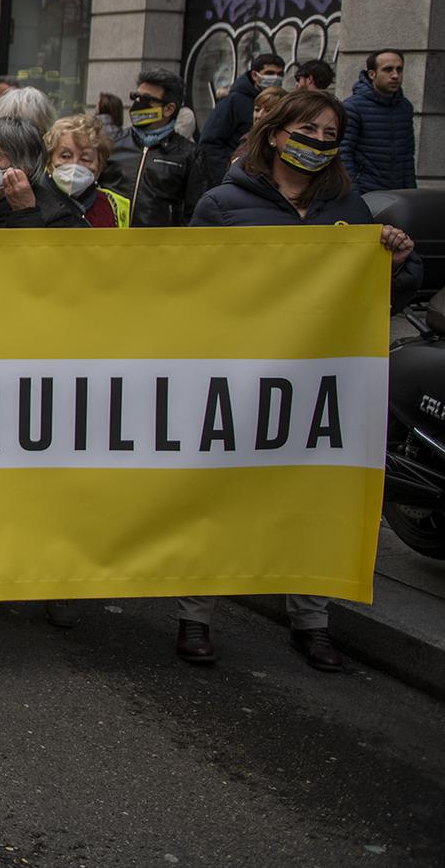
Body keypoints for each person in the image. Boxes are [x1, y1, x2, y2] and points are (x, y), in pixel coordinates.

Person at [179, 88, 419, 672]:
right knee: (220, 495)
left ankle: (311, 622)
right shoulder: (222, 203)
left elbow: (385, 297)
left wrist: (395, 263)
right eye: (305, 131)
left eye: (328, 137)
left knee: (312, 497)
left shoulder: (349, 208)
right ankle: (195, 616)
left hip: (318, 382)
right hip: (237, 377)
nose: (315, 143)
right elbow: (185, 289)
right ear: (276, 132)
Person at [104, 70, 208, 228]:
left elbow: (196, 213)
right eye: (135, 97)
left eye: (146, 99)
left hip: (159, 249)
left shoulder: (189, 154)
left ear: (168, 109)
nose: (138, 103)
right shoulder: (112, 144)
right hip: (112, 246)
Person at [197, 51, 284, 176]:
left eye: (280, 74)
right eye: (270, 73)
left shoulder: (283, 101)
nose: (275, 78)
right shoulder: (234, 101)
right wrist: (227, 175)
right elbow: (210, 143)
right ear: (255, 75)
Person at [343, 49, 415, 193]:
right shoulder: (353, 107)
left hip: (397, 194)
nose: (395, 75)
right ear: (372, 74)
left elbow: (407, 156)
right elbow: (344, 154)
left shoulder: (405, 107)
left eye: (399, 70)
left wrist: (411, 193)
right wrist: (354, 194)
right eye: (388, 69)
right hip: (365, 192)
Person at [45, 113, 129, 229]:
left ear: (99, 167)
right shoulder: (31, 201)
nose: (74, 165)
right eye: (65, 156)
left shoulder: (114, 206)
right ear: (50, 162)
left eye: (85, 159)